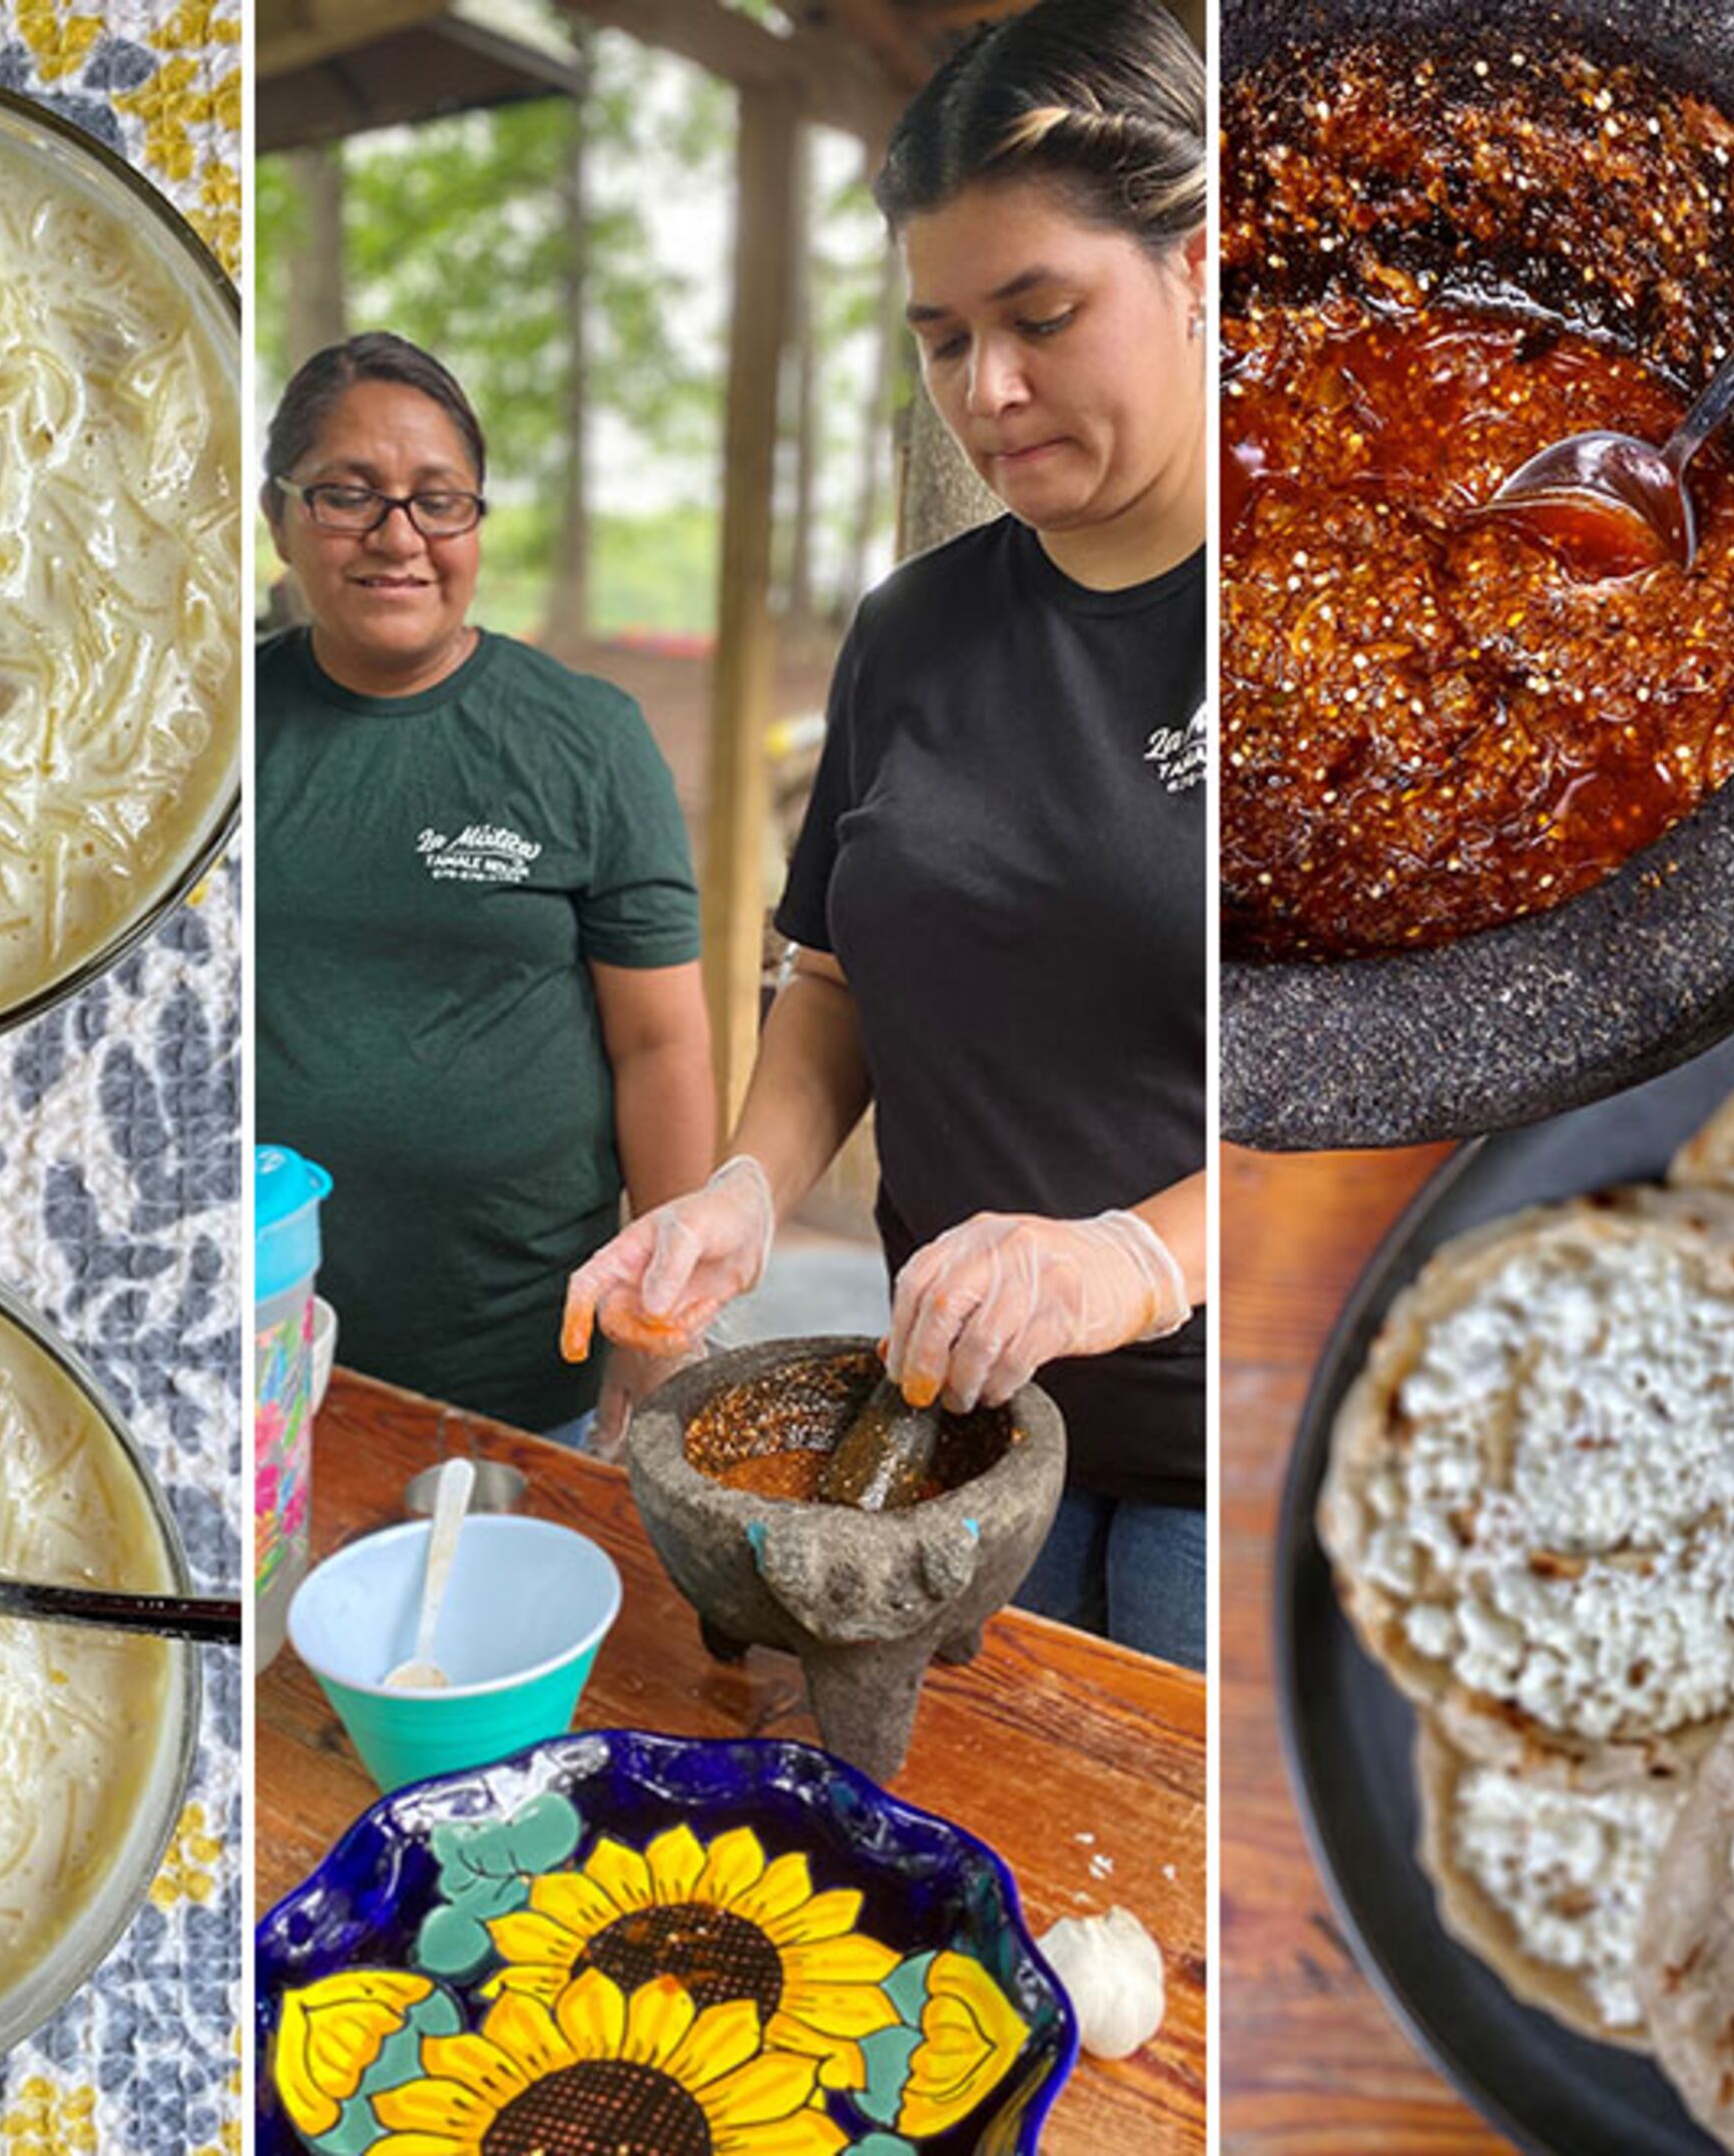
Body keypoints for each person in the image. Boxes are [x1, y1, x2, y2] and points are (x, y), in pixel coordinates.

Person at [565, 0, 1211, 1666]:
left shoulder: (1312, 616)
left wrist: (1136, 1259)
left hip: (1232, 1446)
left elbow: (1417, 1101)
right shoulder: (913, 629)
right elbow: (842, 971)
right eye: (941, 337)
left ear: (1205, 265)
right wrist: (743, 1194)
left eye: (1042, 315)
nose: (986, 390)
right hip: (952, 1429)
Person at [257, 332, 716, 1446]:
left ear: (475, 527)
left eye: (437, 501)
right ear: (279, 519)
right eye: (348, 497)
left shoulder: (588, 741)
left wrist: (657, 1327)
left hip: (529, 1359)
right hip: (262, 1348)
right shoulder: (213, 722)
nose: (397, 537)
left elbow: (661, 1048)